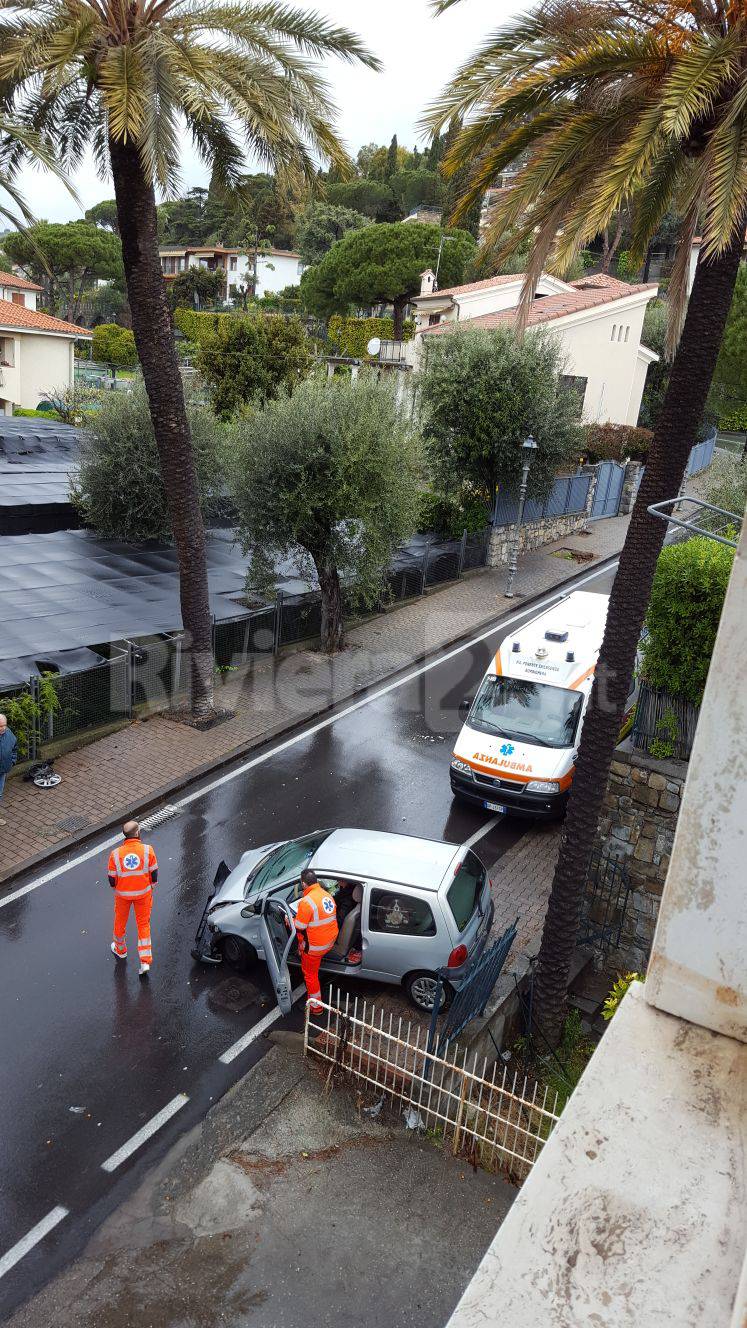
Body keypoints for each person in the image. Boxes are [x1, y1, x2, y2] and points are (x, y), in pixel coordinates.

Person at [107, 820, 158, 976]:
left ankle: (120, 950)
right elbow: (154, 873)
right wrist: (151, 885)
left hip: (122, 896)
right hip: (143, 894)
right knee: (143, 925)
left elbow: (111, 879)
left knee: (120, 922)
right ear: (137, 833)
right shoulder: (148, 850)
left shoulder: (115, 854)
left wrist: (119, 888)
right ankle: (144, 961)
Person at [294, 868, 338, 1013]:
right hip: (329, 942)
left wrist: (290, 919)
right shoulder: (327, 895)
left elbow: (299, 926)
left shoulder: (306, 902)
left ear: (304, 884)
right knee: (313, 969)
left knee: (310, 975)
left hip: (315, 948)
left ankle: (316, 1007)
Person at [0, 714, 18, 827]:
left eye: (3, 726)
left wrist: (12, 761)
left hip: (2, 771)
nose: (2, 728)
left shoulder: (9, 734)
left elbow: (15, 748)